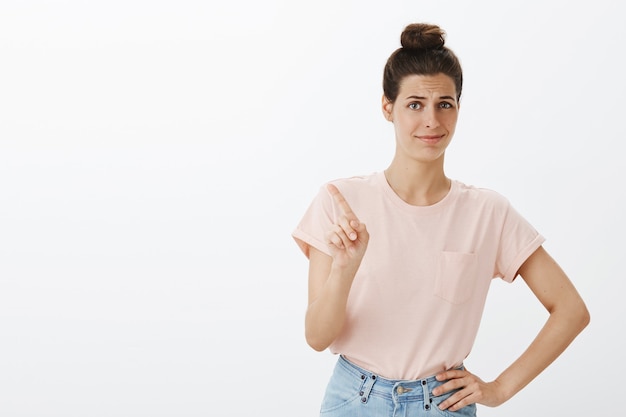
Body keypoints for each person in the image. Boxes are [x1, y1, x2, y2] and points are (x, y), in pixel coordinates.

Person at [291, 22, 590, 416]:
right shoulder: (340, 201)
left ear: (457, 109)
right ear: (388, 107)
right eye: (414, 104)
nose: (431, 120)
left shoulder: (488, 212)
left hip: (443, 404)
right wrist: (345, 269)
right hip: (355, 400)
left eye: (444, 104)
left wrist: (499, 389)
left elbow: (571, 310)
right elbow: (317, 337)